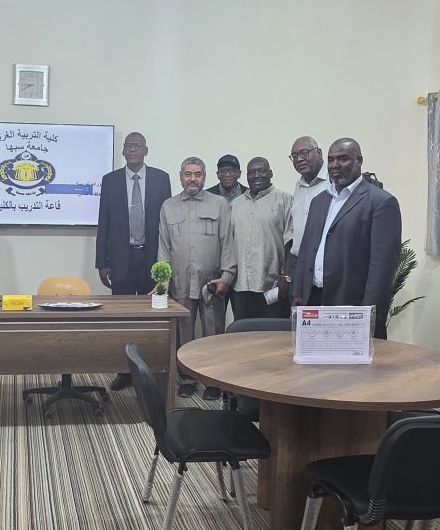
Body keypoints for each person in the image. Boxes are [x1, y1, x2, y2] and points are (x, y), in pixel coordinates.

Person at [291, 138, 402, 339]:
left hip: (351, 304)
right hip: (313, 299)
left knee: (348, 368)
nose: (335, 165)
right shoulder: (320, 200)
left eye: (343, 159)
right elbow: (306, 248)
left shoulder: (381, 202)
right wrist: (298, 291)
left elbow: (382, 266)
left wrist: (368, 312)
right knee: (314, 365)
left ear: (359, 160)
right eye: (331, 160)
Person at [95, 131, 172, 391]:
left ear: (146, 150)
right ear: (124, 151)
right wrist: (101, 262)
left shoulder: (162, 179)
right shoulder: (111, 180)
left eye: (137, 146)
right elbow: (103, 222)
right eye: (129, 146)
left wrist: (166, 265)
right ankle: (124, 372)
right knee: (123, 318)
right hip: (121, 260)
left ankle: (152, 370)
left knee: (154, 317)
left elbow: (166, 224)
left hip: (152, 260)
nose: (133, 150)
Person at [157, 157, 235, 401]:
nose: (193, 179)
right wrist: (163, 280)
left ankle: (213, 380)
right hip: (180, 280)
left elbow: (227, 241)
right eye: (188, 174)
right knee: (184, 332)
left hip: (211, 282)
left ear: (204, 176)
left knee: (213, 332)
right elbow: (164, 246)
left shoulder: (219, 203)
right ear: (180, 176)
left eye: (198, 174)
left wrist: (227, 276)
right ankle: (188, 379)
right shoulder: (168, 206)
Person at [229, 157, 294, 321]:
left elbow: (291, 243)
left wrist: (286, 277)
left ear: (270, 173)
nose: (256, 175)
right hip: (240, 286)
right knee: (242, 337)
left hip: (272, 286)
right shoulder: (235, 204)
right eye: (251, 172)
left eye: (261, 171)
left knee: (271, 339)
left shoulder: (285, 200)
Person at [283, 136, 329, 282]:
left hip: (327, 268)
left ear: (320, 153)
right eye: (294, 156)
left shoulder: (333, 181)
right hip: (300, 267)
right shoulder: (299, 186)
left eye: (304, 152)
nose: (299, 159)